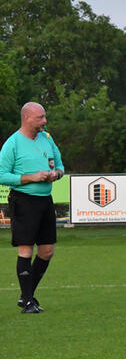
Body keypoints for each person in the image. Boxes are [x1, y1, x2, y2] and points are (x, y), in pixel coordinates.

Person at [0, 102, 64, 314]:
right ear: (27, 118)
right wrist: (31, 177)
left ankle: (26, 295)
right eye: (40, 117)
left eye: (44, 116)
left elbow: (60, 166)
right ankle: (28, 302)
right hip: (23, 201)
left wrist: (56, 174)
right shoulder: (13, 143)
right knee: (26, 249)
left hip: (45, 200)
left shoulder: (47, 138)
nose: (44, 121)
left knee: (47, 251)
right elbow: (2, 175)